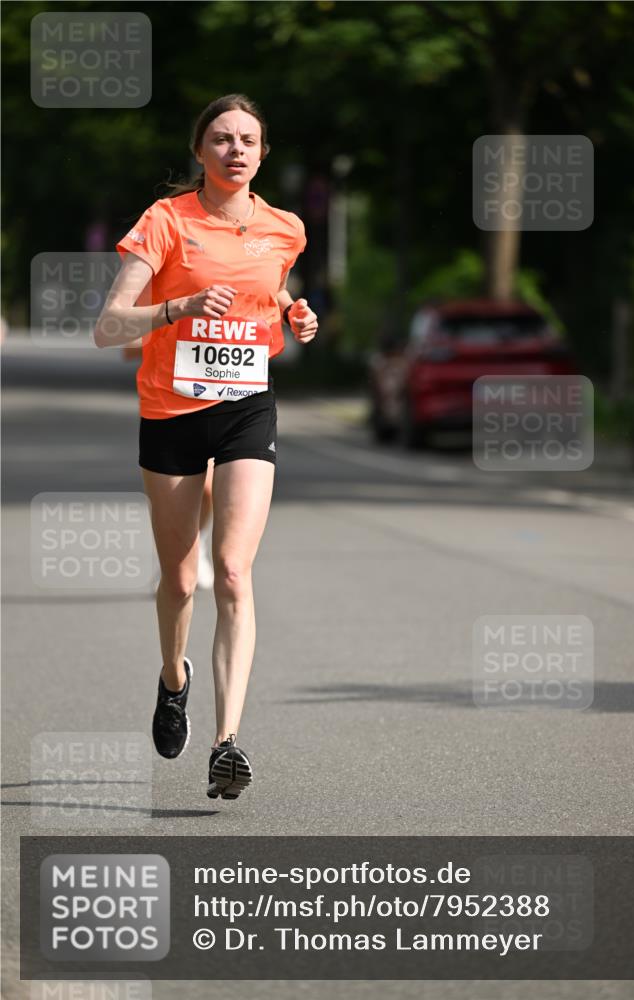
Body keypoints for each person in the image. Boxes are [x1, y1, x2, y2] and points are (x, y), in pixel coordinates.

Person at [94, 94, 318, 800]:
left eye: (247, 140)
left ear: (262, 152)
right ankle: (172, 678)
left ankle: (226, 743)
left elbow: (273, 291)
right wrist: (178, 308)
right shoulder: (165, 223)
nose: (235, 151)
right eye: (221, 139)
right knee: (180, 575)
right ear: (200, 151)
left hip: (247, 407)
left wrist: (296, 314)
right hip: (170, 410)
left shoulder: (284, 228)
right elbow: (108, 327)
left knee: (231, 572)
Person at [123, 340, 216, 590]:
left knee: (207, 489)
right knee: (172, 497)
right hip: (170, 401)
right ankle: (174, 565)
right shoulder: (160, 300)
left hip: (219, 399)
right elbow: (129, 348)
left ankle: (199, 544)